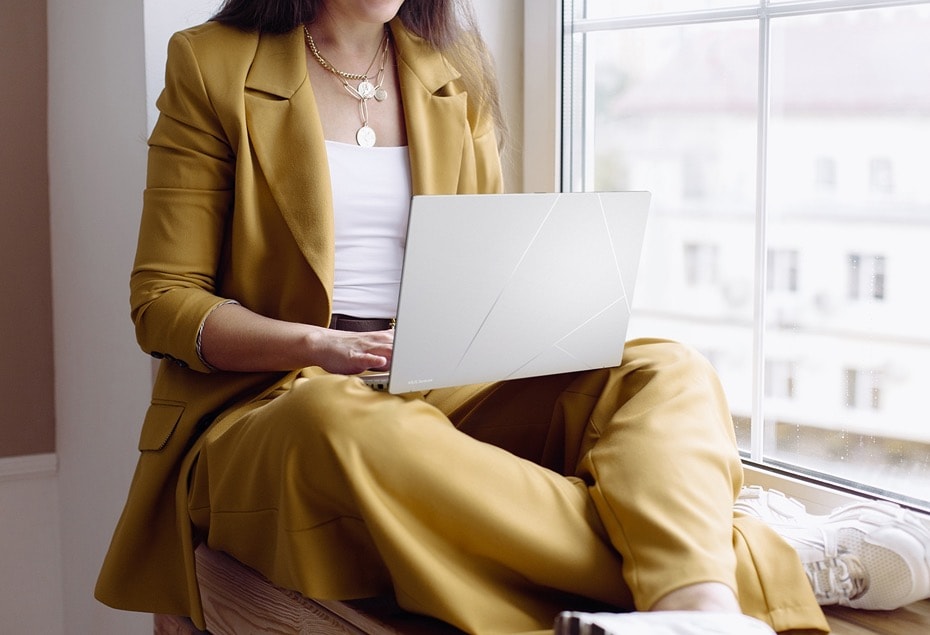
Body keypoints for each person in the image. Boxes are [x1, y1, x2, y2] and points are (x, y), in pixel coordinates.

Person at [95, 1, 930, 633]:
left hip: (441, 381)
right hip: (274, 407)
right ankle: (774, 560)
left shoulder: (448, 69)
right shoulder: (212, 64)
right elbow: (163, 302)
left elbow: (486, 260)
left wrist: (533, 318)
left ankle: (697, 607)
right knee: (337, 419)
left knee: (664, 366)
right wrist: (325, 344)